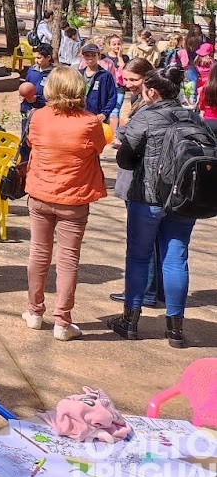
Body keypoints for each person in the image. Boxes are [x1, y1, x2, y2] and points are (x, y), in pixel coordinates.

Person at [109, 67, 205, 348]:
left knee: (138, 258)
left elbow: (125, 160)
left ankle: (130, 321)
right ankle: (175, 329)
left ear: (152, 91)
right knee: (176, 259)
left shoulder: (146, 117)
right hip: (184, 200)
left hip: (146, 198)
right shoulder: (192, 117)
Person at [22, 67, 108, 342]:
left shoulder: (38, 117)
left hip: (40, 194)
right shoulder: (90, 122)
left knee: (38, 254)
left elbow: (31, 143)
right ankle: (62, 321)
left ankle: (34, 312)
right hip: (74, 198)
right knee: (68, 260)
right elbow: (99, 148)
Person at [109, 58, 164, 309]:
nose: (128, 84)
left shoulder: (149, 105)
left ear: (147, 79)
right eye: (126, 79)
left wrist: (121, 135)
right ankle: (154, 289)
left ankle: (145, 291)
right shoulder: (138, 100)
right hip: (139, 176)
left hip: (140, 178)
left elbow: (137, 138)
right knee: (152, 242)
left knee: (144, 242)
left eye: (134, 80)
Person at [71, 41, 117, 125]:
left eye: (93, 55)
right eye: (87, 55)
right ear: (83, 57)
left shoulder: (105, 76)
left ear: (99, 56)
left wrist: (104, 113)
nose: (90, 58)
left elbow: (112, 97)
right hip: (80, 115)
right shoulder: (78, 74)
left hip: (99, 116)